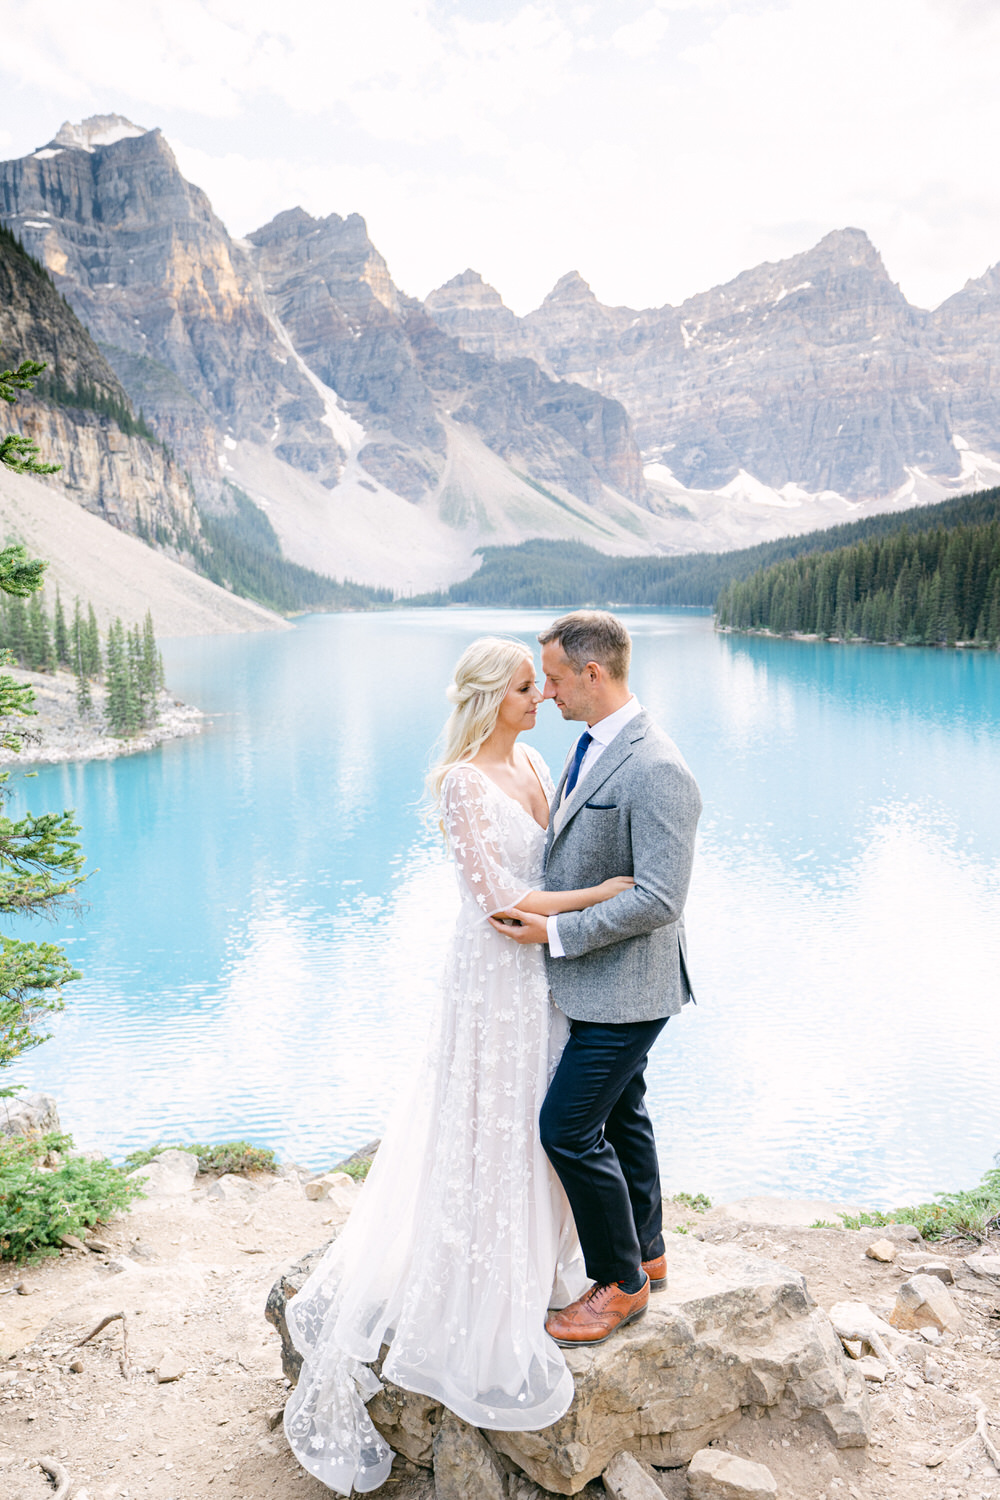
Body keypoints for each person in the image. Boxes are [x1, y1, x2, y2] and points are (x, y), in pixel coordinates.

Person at [283, 636, 637, 1495]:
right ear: (489, 695)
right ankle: (481, 1282)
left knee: (546, 1125)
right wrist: (602, 898)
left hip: (547, 974)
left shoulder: (538, 762)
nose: (540, 697)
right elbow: (498, 903)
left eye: (541, 684)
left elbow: (553, 859)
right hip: (494, 980)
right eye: (525, 687)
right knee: (495, 1119)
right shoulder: (464, 784)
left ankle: (552, 1262)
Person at [489, 611, 701, 1348]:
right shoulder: (591, 746)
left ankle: (620, 1285)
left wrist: (557, 931)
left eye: (552, 678)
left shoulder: (656, 766)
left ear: (593, 674)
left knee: (567, 1129)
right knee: (623, 1114)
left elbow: (660, 898)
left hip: (629, 987)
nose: (545, 693)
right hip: (604, 980)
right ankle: (649, 1248)